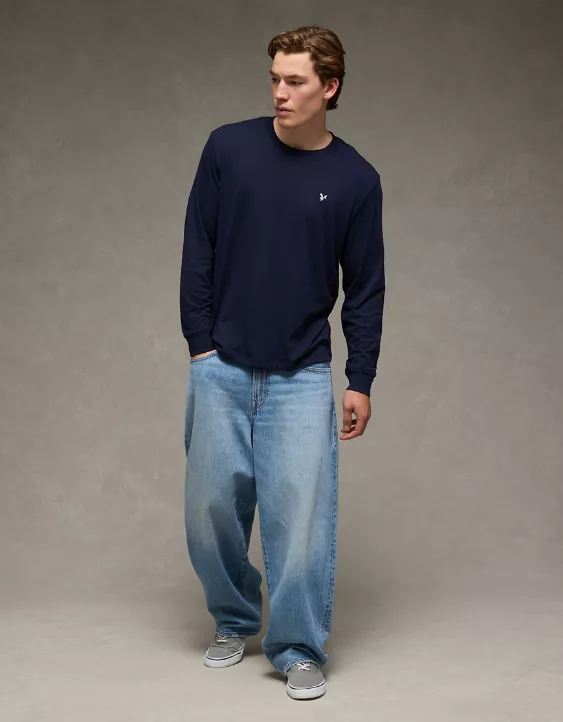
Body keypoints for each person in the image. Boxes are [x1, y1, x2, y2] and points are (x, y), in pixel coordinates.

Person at [180, 24, 385, 700]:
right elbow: (199, 248)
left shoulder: (355, 179)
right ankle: (233, 618)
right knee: (210, 513)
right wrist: (200, 345)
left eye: (295, 81)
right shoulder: (227, 149)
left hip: (302, 376)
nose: (280, 92)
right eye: (274, 78)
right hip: (222, 367)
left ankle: (297, 649)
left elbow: (365, 287)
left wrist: (359, 378)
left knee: (300, 525)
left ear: (329, 87)